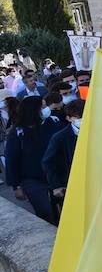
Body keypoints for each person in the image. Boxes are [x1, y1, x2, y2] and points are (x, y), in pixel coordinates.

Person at [4, 94, 57, 222]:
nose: (46, 109)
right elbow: (11, 160)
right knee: (47, 212)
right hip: (33, 180)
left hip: (56, 175)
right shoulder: (18, 133)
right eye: (42, 107)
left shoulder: (53, 122)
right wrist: (16, 186)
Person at [42, 98, 84, 212]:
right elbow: (49, 162)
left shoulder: (99, 131)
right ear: (69, 118)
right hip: (70, 184)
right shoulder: (60, 137)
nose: (82, 119)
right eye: (78, 117)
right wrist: (56, 185)